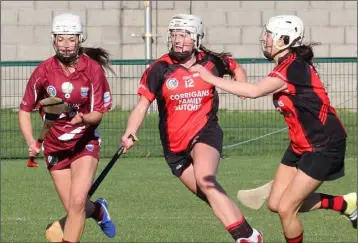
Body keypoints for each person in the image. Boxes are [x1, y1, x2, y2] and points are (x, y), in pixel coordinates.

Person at [190, 15, 357, 243]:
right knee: (275, 203)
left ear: (284, 39)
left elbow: (254, 91)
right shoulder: (286, 64)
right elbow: (250, 89)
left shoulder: (293, 67)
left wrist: (209, 78)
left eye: (269, 35)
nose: (265, 39)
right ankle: (346, 204)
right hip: (301, 144)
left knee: (287, 209)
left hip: (324, 144)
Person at [120, 13, 263, 243]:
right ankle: (250, 235)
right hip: (175, 148)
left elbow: (235, 67)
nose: (178, 40)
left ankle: (244, 240)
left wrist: (240, 83)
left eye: (185, 35)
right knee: (209, 194)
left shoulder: (211, 61)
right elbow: (142, 105)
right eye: (174, 35)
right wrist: (129, 131)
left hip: (205, 132)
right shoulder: (159, 68)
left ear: (196, 38)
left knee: (206, 179)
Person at [18, 13, 116, 243]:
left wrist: (83, 119)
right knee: (76, 209)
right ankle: (99, 210)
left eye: (71, 39)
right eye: (60, 39)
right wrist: (31, 141)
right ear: (53, 39)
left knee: (77, 204)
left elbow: (98, 114)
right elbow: (25, 110)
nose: (65, 45)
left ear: (80, 39)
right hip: (54, 146)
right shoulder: (43, 71)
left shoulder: (92, 70)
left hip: (84, 142)